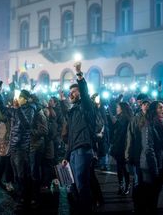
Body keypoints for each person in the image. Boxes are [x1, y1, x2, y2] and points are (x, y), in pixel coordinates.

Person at [61, 61, 97, 214]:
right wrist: (66, 156)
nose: (71, 94)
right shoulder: (72, 112)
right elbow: (70, 137)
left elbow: (84, 91)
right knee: (74, 185)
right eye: (70, 92)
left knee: (82, 184)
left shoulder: (86, 107)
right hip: (74, 151)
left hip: (83, 149)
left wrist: (79, 75)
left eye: (74, 92)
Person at [0, 87, 35, 209]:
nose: (18, 99)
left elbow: (27, 124)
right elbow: (3, 110)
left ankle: (25, 199)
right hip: (13, 146)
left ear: (26, 99)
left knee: (22, 175)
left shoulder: (30, 109)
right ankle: (21, 197)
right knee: (17, 175)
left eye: (20, 97)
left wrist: (18, 109)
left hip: (21, 147)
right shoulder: (15, 110)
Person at [108, 102, 133, 195]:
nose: (117, 108)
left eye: (118, 107)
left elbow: (125, 135)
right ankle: (121, 185)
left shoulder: (126, 120)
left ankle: (126, 185)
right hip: (118, 146)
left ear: (122, 108)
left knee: (124, 167)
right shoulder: (119, 119)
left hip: (124, 146)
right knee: (120, 167)